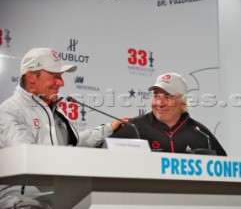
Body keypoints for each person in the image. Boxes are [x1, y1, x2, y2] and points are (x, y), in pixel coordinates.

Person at [0, 48, 123, 208]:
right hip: (23, 203)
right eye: (55, 76)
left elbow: (71, 147)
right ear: (31, 76)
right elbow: (29, 158)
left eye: (61, 77)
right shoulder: (9, 111)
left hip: (58, 201)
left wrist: (108, 128)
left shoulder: (53, 109)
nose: (61, 83)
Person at [111, 72, 227, 155]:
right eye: (156, 96)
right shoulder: (134, 127)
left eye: (168, 97)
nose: (160, 103)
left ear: (183, 103)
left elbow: (224, 170)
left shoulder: (202, 134)